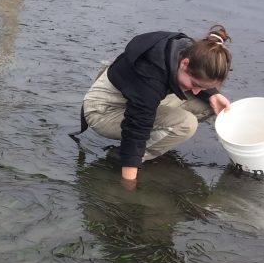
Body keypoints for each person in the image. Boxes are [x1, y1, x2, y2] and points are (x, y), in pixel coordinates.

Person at [79, 25, 232, 183]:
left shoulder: (188, 50)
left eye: (202, 87)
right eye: (194, 84)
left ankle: (144, 146)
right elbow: (136, 128)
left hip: (136, 98)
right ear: (184, 64)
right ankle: (122, 156)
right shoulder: (150, 76)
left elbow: (198, 77)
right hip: (103, 110)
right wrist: (128, 183)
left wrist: (212, 93)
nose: (195, 91)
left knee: (211, 104)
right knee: (186, 124)